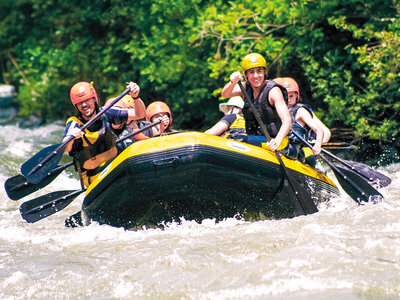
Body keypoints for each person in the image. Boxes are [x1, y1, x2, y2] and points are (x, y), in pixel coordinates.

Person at [63, 81, 146, 186]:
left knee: (125, 144)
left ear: (94, 99)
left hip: (115, 166)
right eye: (79, 103)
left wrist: (135, 97)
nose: (84, 105)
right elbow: (65, 148)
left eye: (86, 100)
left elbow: (140, 114)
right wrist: (71, 137)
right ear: (76, 106)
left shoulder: (107, 113)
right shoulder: (74, 123)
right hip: (94, 177)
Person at [221, 53, 292, 152]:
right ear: (246, 75)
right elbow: (225, 94)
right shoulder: (246, 87)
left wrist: (278, 140)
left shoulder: (273, 91)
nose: (256, 76)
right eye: (251, 72)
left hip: (275, 140)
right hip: (256, 137)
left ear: (265, 72)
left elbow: (287, 120)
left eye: (259, 71)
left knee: (239, 140)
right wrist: (233, 81)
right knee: (229, 137)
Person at [274, 77, 331, 167]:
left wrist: (318, 145)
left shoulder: (300, 111)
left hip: (297, 151)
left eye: (291, 96)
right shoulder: (280, 110)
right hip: (286, 147)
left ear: (297, 96)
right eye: (286, 96)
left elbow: (320, 130)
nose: (288, 99)